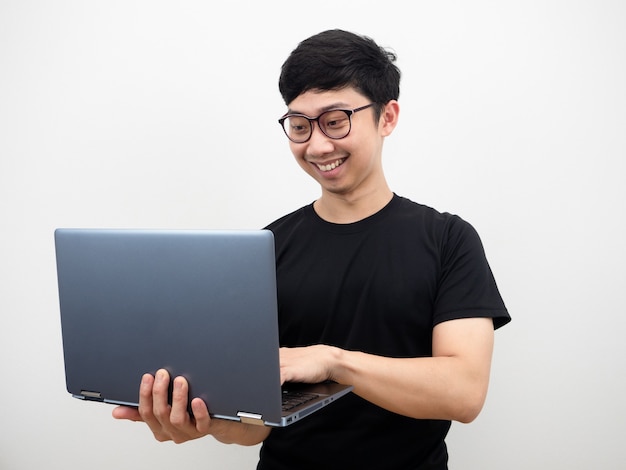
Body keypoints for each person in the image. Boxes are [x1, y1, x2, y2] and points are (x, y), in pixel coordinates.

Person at [113, 29, 511, 469]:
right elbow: (256, 426)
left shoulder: (449, 239)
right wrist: (205, 421)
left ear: (387, 117)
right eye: (300, 126)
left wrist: (332, 361)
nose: (317, 145)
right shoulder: (266, 249)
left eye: (335, 120)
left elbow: (464, 392)